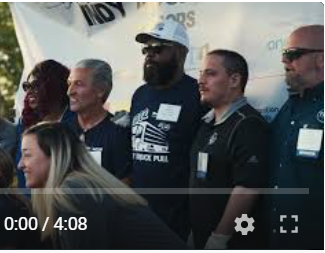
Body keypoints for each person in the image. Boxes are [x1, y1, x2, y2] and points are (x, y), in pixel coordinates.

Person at [18, 122, 186, 249]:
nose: (20, 165)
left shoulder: (75, 191)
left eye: (27, 155)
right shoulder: (78, 186)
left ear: (55, 155)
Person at [130, 19, 205, 238]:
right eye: (146, 49)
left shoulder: (197, 94)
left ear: (180, 53)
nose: (149, 55)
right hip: (140, 213)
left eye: (158, 48)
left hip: (179, 217)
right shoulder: (140, 94)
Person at [189, 49, 269, 249]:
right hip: (200, 235)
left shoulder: (249, 125)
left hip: (233, 241)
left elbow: (247, 189)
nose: (200, 80)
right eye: (200, 73)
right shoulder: (206, 123)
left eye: (210, 73)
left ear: (234, 80)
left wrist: (219, 238)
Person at [268, 25, 324, 249]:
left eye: (292, 55)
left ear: (320, 59)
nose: (284, 62)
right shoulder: (288, 107)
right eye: (283, 55)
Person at [63, 59, 132, 182]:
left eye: (78, 84)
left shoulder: (118, 133)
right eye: (69, 83)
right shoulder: (63, 130)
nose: (70, 92)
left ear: (101, 90)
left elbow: (125, 189)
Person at [16, 59, 73, 188]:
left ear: (55, 86)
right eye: (27, 86)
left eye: (36, 85)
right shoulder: (24, 124)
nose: (29, 91)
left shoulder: (77, 123)